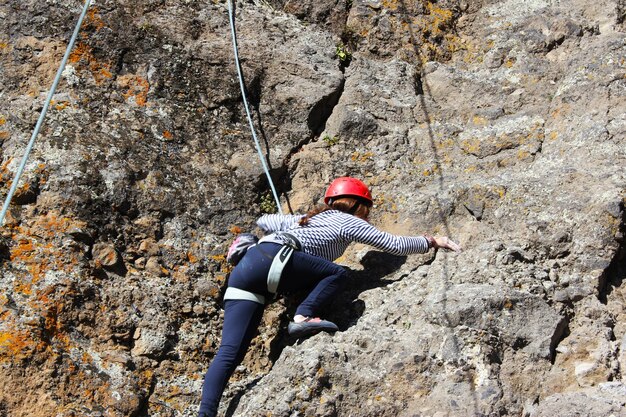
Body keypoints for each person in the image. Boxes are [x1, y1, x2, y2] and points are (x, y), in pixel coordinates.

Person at [198, 177, 461, 417]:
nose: (367, 215)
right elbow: (393, 244)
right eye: (366, 210)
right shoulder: (348, 221)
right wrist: (431, 241)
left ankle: (205, 414)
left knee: (229, 353)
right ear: (358, 205)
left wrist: (293, 221)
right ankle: (304, 315)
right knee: (339, 273)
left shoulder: (305, 220)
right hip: (277, 260)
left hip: (247, 272)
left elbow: (264, 221)